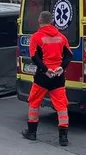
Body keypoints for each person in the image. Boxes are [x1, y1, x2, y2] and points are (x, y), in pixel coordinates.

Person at [22, 11, 74, 146]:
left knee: (34, 103)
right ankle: (63, 138)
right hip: (58, 76)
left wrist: (45, 70)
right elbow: (69, 55)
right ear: (52, 21)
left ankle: (32, 133)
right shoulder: (61, 37)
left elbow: (34, 57)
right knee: (62, 107)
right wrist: (61, 68)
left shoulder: (36, 37)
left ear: (39, 21)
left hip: (42, 76)